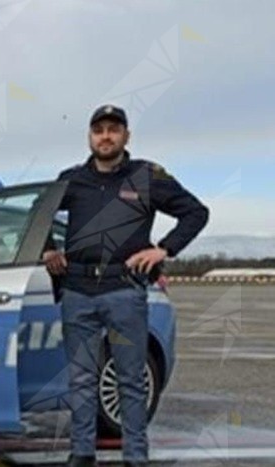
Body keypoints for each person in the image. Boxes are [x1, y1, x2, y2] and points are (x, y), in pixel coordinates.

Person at [42, 105, 209, 467]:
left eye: (113, 130)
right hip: (78, 291)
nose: (106, 136)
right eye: (99, 130)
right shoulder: (70, 179)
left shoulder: (147, 176)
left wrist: (163, 248)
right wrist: (49, 250)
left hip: (124, 290)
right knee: (81, 380)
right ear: (90, 136)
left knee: (130, 380)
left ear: (126, 136)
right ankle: (81, 453)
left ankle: (136, 456)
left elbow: (196, 212)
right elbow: (37, 218)